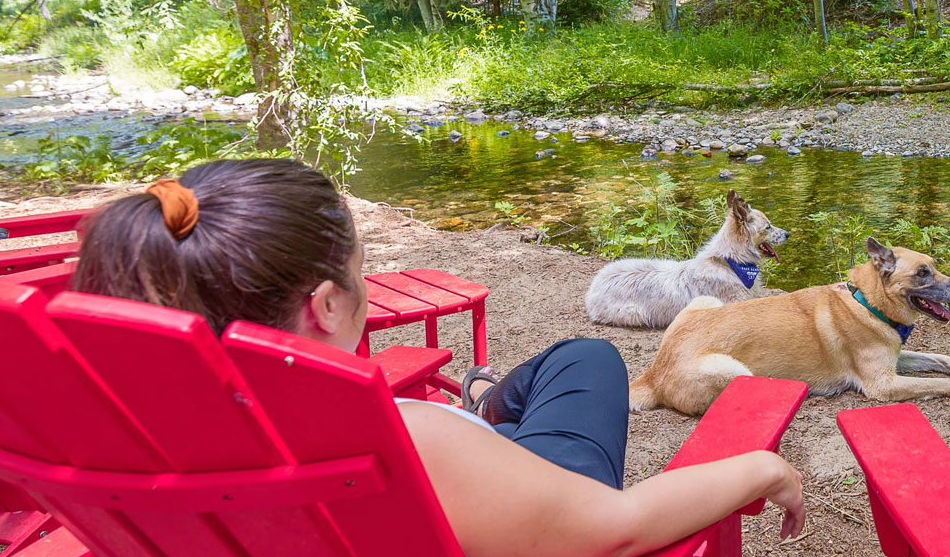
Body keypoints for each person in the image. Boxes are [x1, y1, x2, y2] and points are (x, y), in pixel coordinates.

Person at [71, 158, 804, 557]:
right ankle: (490, 408)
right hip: (489, 494)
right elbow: (618, 525)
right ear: (327, 305)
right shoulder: (401, 438)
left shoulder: (126, 430)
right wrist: (763, 468)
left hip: (441, 481)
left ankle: (490, 402)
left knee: (576, 359)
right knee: (589, 359)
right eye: (363, 269)